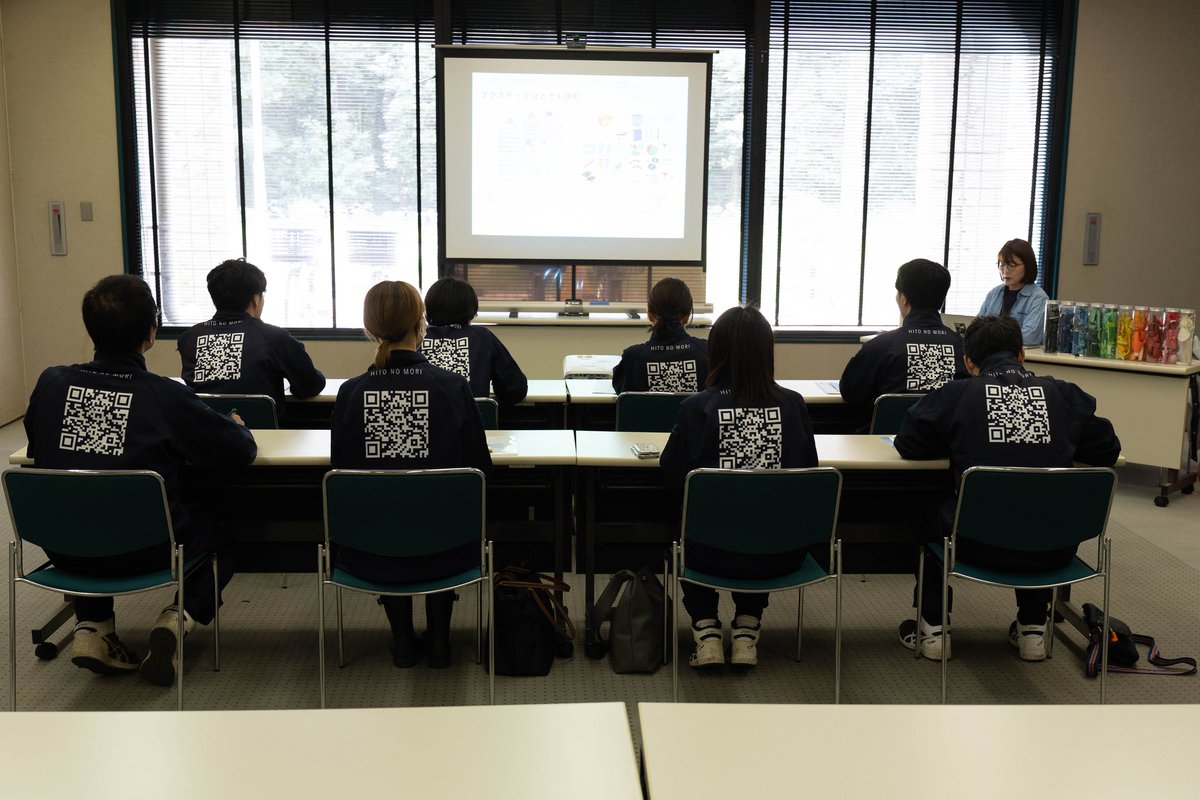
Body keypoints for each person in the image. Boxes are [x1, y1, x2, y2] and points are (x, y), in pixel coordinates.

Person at [23, 275, 258, 686]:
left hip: (63, 547)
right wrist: (235, 425)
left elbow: (34, 440)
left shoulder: (51, 383)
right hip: (148, 551)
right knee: (222, 536)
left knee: (86, 504)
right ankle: (177, 617)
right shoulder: (163, 395)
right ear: (151, 333)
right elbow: (238, 452)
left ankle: (93, 629)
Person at [894, 315, 1121, 662]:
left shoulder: (958, 394)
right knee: (1036, 504)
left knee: (925, 505)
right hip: (1054, 546)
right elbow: (1108, 448)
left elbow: (909, 442)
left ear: (968, 362)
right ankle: (1033, 626)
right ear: (1021, 355)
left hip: (974, 543)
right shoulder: (1063, 394)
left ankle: (934, 628)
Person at [331, 280, 492, 669]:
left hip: (369, 550)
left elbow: (342, 475)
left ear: (369, 328)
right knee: (436, 508)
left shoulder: (350, 394)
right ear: (421, 322)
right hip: (450, 551)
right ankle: (440, 641)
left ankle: (402, 641)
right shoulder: (453, 387)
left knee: (391, 507)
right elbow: (480, 474)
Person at [659, 305, 819, 670]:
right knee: (764, 508)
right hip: (782, 553)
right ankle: (747, 631)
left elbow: (673, 475)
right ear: (768, 351)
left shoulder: (696, 407)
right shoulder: (793, 405)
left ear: (715, 350)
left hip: (708, 553)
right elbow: (808, 473)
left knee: (686, 520)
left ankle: (706, 631)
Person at [178, 258, 326, 420]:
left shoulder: (189, 339)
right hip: (265, 439)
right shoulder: (274, 338)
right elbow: (310, 386)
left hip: (203, 438)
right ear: (255, 299)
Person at [839, 258, 968, 407]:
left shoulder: (880, 346)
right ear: (942, 299)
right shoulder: (964, 347)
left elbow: (850, 391)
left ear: (904, 298)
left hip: (889, 430)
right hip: (947, 430)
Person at [420, 276, 527, 406]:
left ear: (428, 310)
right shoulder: (482, 337)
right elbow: (514, 390)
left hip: (425, 423)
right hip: (474, 423)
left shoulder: (416, 340)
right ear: (470, 312)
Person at [612, 277, 709, 394]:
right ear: (687, 316)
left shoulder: (632, 359)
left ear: (650, 315)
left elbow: (620, 390)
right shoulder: (708, 353)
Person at [977, 239, 1049, 346]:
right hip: (988, 354)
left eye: (1011, 265)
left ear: (1028, 266)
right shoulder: (994, 293)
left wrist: (991, 337)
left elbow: (1030, 337)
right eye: (1002, 265)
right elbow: (977, 327)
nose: (1005, 270)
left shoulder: (1039, 298)